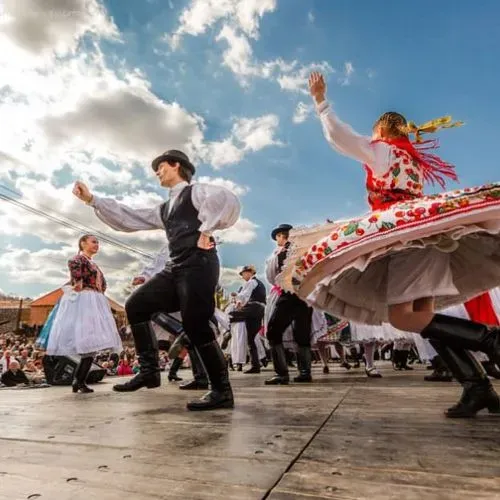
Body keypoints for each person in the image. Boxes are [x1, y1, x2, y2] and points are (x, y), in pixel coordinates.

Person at [278, 71, 500, 417]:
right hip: (427, 238)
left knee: (404, 319)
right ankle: (477, 386)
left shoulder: (383, 150)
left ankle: (491, 341)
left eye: (374, 132)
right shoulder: (412, 159)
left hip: (406, 240)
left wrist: (321, 103)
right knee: (424, 317)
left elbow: (341, 138)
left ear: (381, 130)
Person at [72, 149, 240, 411]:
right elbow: (130, 218)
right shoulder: (165, 208)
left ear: (176, 165)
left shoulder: (195, 192)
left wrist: (207, 229)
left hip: (199, 264)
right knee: (136, 305)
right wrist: (93, 200)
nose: (157, 172)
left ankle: (221, 391)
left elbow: (224, 199)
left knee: (196, 324)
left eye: (160, 167)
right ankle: (150, 371)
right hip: (176, 268)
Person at [46, 235, 123, 393]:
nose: (97, 245)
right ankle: (78, 381)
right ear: (83, 243)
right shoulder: (77, 260)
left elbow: (102, 285)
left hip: (95, 300)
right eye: (93, 242)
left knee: (90, 345)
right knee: (86, 340)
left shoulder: (93, 264)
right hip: (85, 301)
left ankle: (79, 381)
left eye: (98, 242)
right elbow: (78, 283)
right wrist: (77, 287)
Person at [264, 224, 315, 385]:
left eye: (278, 236)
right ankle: (305, 372)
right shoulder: (305, 248)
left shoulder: (284, 251)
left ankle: (281, 374)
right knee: (302, 332)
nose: (277, 240)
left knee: (273, 331)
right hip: (305, 294)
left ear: (282, 236)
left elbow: (275, 276)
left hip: (289, 293)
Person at [228, 265, 267, 374]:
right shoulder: (258, 283)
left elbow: (244, 296)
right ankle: (256, 365)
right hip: (259, 309)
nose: (243, 276)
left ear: (250, 272)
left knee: (230, 315)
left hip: (253, 308)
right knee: (252, 337)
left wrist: (237, 297)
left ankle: (227, 331)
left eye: (244, 273)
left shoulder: (251, 282)